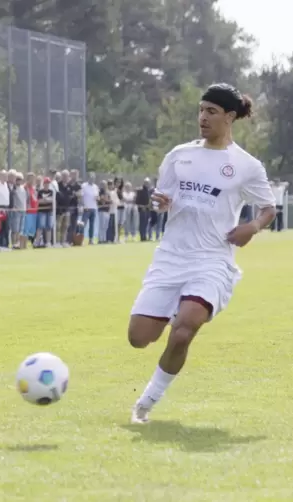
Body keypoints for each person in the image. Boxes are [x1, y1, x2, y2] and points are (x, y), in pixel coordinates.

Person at [128, 83, 276, 424]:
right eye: (201, 110)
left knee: (184, 330)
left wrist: (251, 228)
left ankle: (146, 403)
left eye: (211, 111)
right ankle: (169, 312)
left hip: (212, 260)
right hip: (171, 257)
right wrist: (159, 202)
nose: (203, 117)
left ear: (230, 116)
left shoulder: (246, 166)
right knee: (139, 338)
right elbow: (160, 198)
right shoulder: (179, 155)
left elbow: (268, 209)